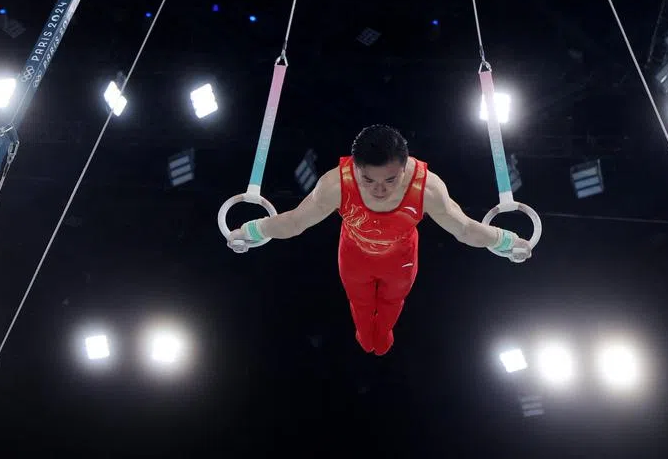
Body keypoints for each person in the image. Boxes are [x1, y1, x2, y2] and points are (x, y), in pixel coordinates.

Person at [227, 124, 533, 355]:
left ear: (405, 166)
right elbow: (294, 222)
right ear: (355, 168)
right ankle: (366, 333)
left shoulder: (427, 188)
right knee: (360, 307)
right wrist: (250, 231)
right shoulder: (336, 184)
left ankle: (382, 332)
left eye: (390, 179)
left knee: (391, 307)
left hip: (401, 261)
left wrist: (506, 240)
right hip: (354, 257)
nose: (379, 189)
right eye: (368, 179)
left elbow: (465, 229)